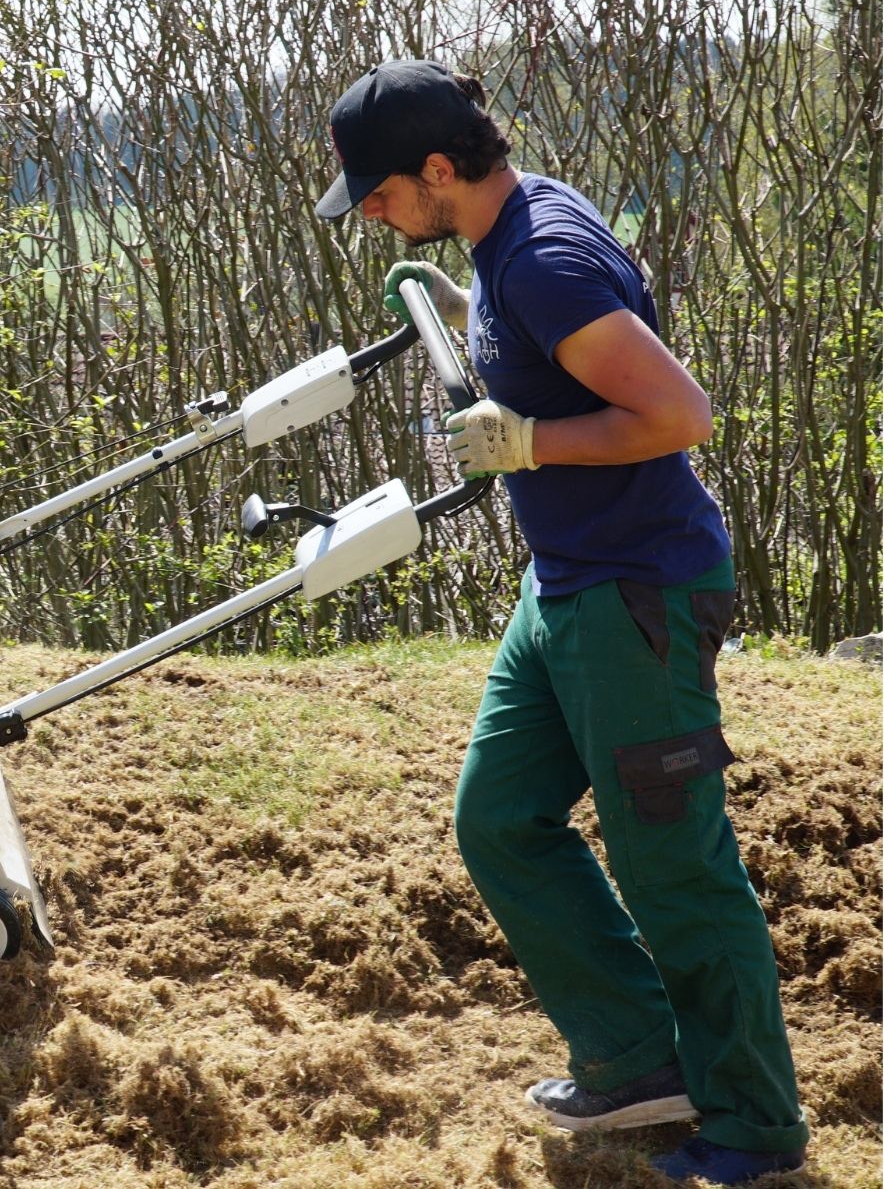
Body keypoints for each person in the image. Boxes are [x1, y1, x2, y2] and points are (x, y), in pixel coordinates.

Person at [313, 59, 809, 1186]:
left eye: (382, 192)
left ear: (439, 168)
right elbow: (545, 346)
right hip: (563, 585)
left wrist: (529, 442)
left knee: (672, 865)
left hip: (636, 594)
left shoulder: (541, 259)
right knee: (498, 817)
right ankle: (637, 1060)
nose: (376, 215)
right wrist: (462, 313)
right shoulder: (503, 243)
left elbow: (678, 413)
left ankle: (753, 1125)